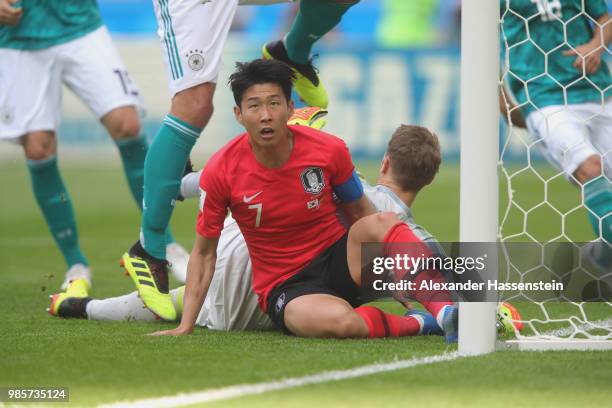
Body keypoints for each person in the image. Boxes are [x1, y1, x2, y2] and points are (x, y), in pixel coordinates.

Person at [48, 107, 445, 338]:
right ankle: (78, 304)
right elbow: (443, 266)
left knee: (171, 297)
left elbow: (220, 177)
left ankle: (76, 304)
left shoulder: (345, 178)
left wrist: (177, 187)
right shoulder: (407, 235)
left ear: (386, 163)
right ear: (429, 180)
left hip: (251, 266)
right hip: (268, 291)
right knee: (174, 297)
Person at [134, 59, 458, 342]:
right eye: (254, 105)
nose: (265, 115)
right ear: (238, 113)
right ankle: (418, 324)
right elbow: (204, 254)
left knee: (384, 222)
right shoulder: (222, 169)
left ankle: (447, 312)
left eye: (274, 103)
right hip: (286, 285)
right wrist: (186, 326)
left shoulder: (328, 150)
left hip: (338, 258)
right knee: (338, 323)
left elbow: (362, 213)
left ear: (291, 108)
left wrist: (385, 268)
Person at [123, 0, 361, 322]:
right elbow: (373, 220)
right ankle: (149, 250)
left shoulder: (320, 157)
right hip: (277, 287)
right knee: (194, 106)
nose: (266, 116)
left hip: (290, 279)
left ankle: (292, 52)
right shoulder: (338, 168)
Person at [0, 0, 189, 289]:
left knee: (127, 124)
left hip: (80, 25)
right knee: (38, 148)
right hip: (19, 37)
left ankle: (166, 244)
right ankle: (76, 263)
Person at [500, 0, 611, 268]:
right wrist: (503, 101)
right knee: (589, 166)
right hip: (544, 97)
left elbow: (605, 18)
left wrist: (596, 45)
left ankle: (597, 262)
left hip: (598, 90)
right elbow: (480, 41)